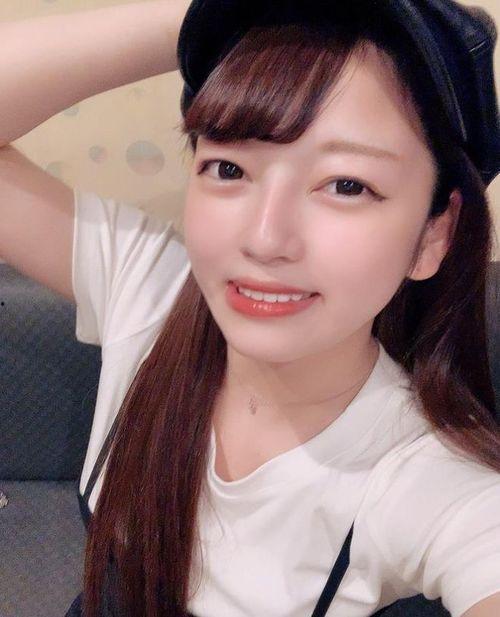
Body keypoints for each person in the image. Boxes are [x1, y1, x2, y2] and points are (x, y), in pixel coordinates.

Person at [0, 1, 499, 616]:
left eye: (346, 184)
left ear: (433, 236)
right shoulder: (151, 290)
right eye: (229, 167)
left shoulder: (424, 481)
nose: (265, 239)